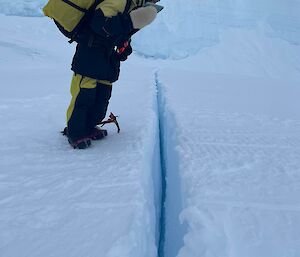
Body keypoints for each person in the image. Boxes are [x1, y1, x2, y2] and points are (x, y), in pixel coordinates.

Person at [65, 0, 158, 149]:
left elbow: (119, 34)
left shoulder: (134, 6)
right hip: (90, 54)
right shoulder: (120, 1)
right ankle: (75, 132)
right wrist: (129, 22)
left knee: (101, 97)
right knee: (84, 95)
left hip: (108, 59)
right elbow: (98, 23)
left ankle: (89, 127)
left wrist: (124, 48)